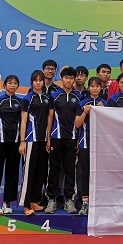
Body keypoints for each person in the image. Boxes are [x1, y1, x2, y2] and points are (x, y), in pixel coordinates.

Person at [46, 66, 82, 214]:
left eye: (71, 78)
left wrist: (78, 139)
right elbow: (50, 117)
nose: (68, 80)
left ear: (74, 80)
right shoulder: (54, 96)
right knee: (54, 169)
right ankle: (51, 200)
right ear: (62, 79)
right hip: (56, 138)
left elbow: (80, 121)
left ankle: (69, 200)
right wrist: (48, 138)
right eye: (66, 78)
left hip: (72, 139)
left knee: (70, 170)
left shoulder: (78, 97)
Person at [0, 75, 24, 216]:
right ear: (5, 85)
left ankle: (7, 202)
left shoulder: (20, 102)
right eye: (10, 83)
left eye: (15, 83)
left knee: (12, 172)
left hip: (14, 143)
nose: (12, 85)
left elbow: (23, 121)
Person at [19, 70, 52, 216]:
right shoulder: (27, 99)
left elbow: (50, 119)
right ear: (32, 82)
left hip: (43, 140)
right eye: (35, 80)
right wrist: (22, 141)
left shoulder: (47, 98)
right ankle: (26, 204)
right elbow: (23, 121)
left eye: (40, 80)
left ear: (44, 81)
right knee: (29, 172)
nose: (38, 83)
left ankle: (34, 201)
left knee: (40, 172)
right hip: (31, 139)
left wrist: (48, 138)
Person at [75, 77, 106, 216]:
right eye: (92, 86)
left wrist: (104, 111)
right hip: (85, 144)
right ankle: (85, 202)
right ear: (88, 88)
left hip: (101, 144)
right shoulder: (82, 103)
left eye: (97, 86)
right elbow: (77, 124)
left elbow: (110, 124)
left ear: (101, 88)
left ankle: (99, 201)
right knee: (85, 173)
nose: (95, 88)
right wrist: (85, 112)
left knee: (101, 173)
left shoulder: (106, 103)